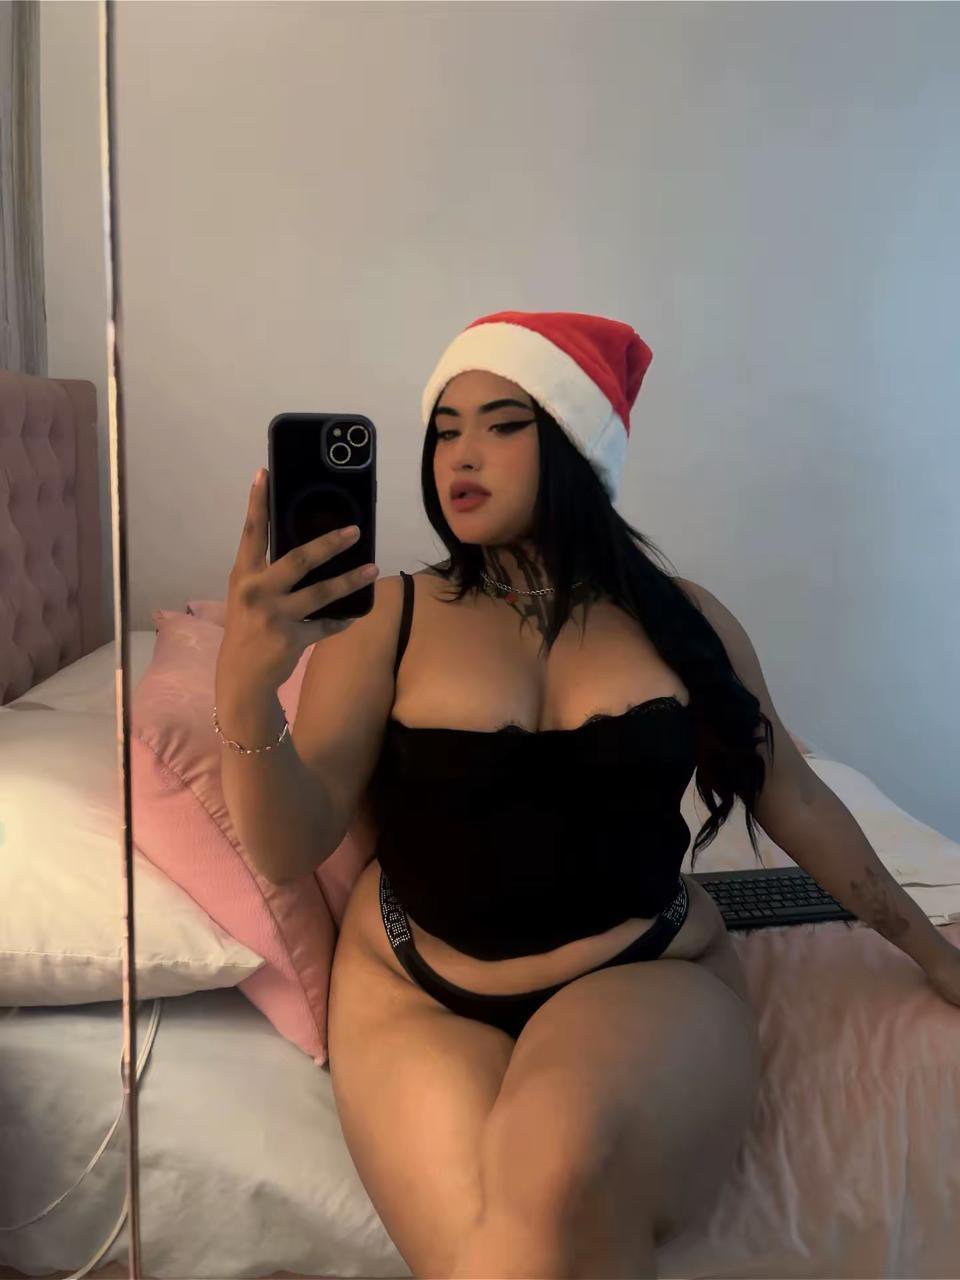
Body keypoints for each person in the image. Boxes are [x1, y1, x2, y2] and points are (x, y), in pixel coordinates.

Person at [221, 311, 767, 1278]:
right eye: (443, 431)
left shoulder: (680, 618)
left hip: (638, 971)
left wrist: (930, 949)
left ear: (576, 446)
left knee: (556, 1157)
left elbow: (794, 796)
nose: (460, 456)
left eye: (504, 424)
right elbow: (287, 845)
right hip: (413, 989)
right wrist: (245, 690)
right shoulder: (387, 614)